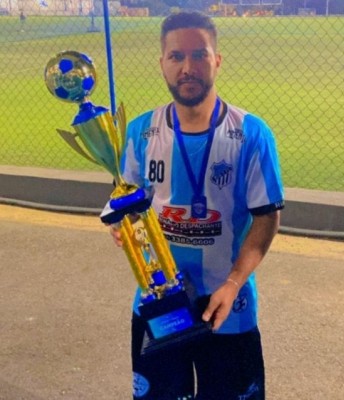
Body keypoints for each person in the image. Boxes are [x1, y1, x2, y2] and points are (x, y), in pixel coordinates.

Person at [110, 11, 284, 400]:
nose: (187, 67)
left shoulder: (251, 134)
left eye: (199, 55)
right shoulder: (140, 132)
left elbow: (267, 218)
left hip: (229, 305)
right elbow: (128, 207)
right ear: (162, 63)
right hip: (160, 306)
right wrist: (120, 225)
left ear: (216, 60)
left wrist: (234, 282)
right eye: (176, 56)